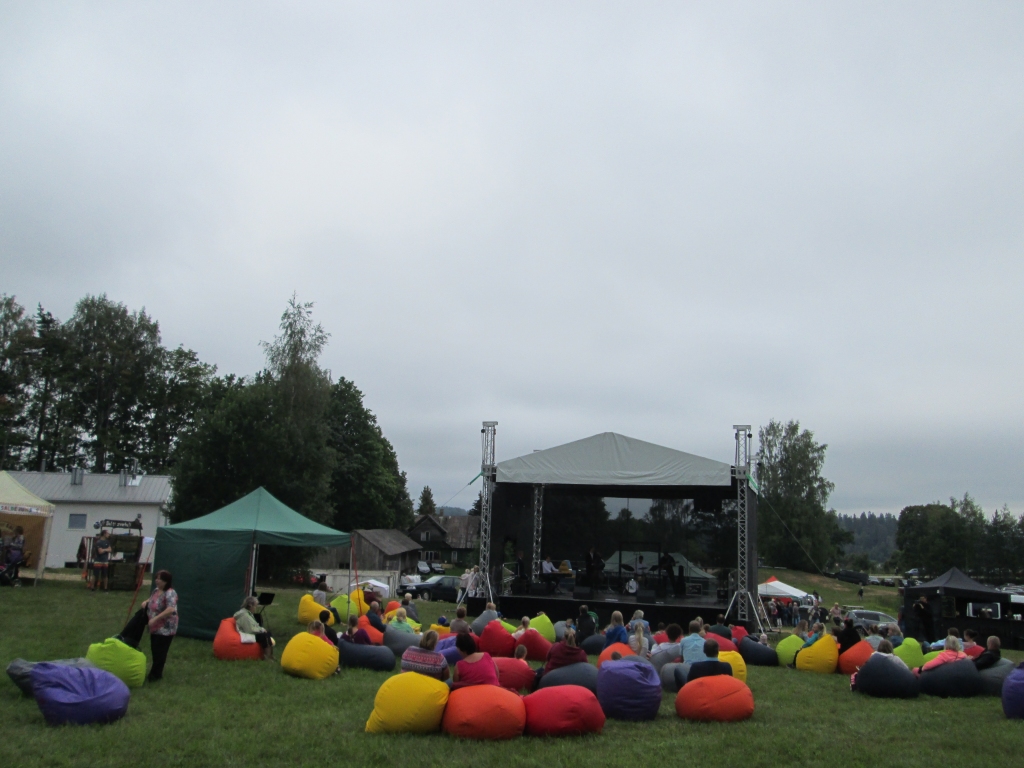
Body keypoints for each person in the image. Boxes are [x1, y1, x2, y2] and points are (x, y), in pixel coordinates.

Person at [145, 570, 178, 682]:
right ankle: (155, 671)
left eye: (160, 579)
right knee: (154, 649)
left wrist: (155, 619)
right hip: (154, 627)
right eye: (156, 578)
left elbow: (170, 609)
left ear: (166, 581)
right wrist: (146, 602)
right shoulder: (156, 590)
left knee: (160, 651)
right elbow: (152, 600)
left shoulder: (170, 593)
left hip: (166, 627)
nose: (157, 580)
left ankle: (155, 675)